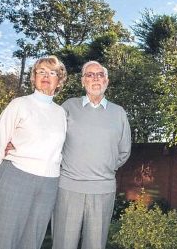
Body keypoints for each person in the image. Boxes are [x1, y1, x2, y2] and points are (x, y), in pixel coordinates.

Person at [0, 56, 67, 249]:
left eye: (52, 73)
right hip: (15, 178)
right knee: (2, 241)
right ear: (34, 77)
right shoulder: (19, 104)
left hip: (48, 185)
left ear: (59, 80)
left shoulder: (61, 113)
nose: (46, 76)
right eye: (41, 72)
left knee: (32, 242)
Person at [52, 61, 132, 249]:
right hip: (68, 189)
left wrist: (103, 167)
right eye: (90, 74)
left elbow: (124, 151)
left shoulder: (119, 113)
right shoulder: (68, 107)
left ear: (107, 80)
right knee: (63, 244)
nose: (95, 78)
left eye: (100, 74)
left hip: (103, 191)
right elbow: (51, 140)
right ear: (82, 81)